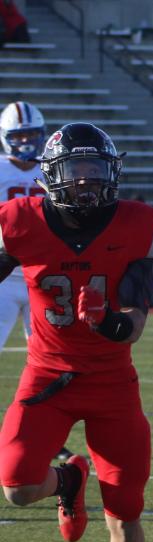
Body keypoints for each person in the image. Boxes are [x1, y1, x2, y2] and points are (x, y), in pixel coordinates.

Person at [0, 123, 153, 542]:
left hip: (112, 384)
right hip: (48, 375)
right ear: (53, 177)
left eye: (96, 171)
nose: (87, 183)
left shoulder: (140, 223)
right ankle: (69, 481)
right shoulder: (17, 221)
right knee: (17, 487)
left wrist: (110, 323)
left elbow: (134, 319)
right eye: (76, 172)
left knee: (125, 507)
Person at [0, 101, 45, 353]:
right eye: (18, 135)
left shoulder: (54, 169)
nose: (26, 140)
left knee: (48, 355)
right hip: (3, 275)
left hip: (43, 274)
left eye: (32, 133)